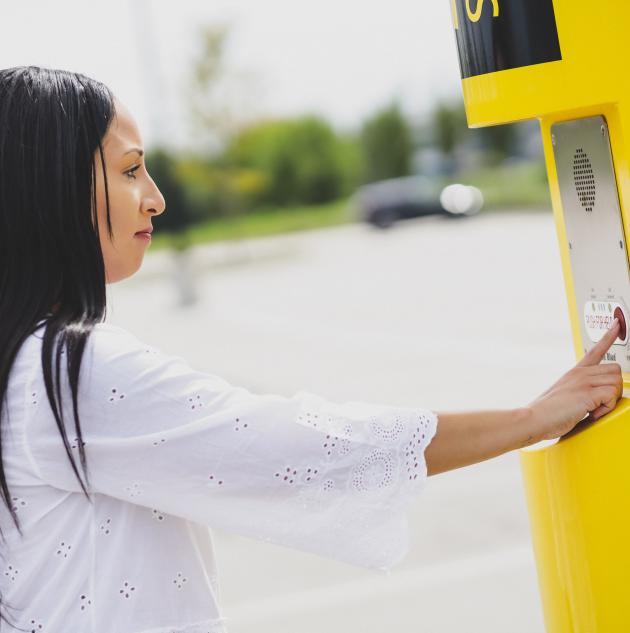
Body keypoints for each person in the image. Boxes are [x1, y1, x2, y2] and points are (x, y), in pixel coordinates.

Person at [0, 66, 623, 633]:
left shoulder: (19, 366)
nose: (156, 197)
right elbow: (292, 445)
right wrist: (531, 419)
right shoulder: (71, 373)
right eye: (131, 170)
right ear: (55, 188)